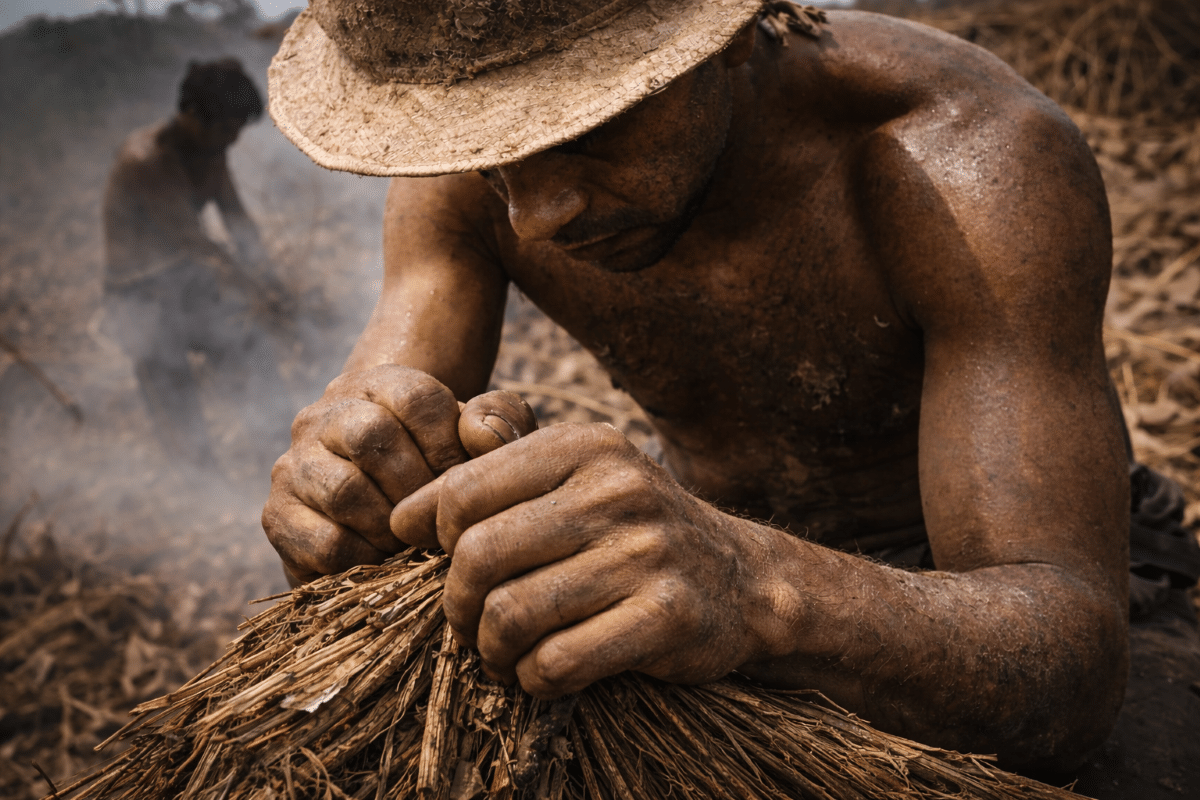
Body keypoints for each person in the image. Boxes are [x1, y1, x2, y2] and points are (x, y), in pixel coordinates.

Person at [261, 1, 1200, 795]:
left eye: (588, 127)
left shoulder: (962, 161)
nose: (534, 214)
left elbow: (1066, 663)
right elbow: (375, 425)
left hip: (979, 600)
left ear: (732, 32)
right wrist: (346, 481)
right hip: (701, 569)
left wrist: (752, 585)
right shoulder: (482, 169)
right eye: (495, 156)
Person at [103, 57, 290, 467]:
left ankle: (281, 449)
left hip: (186, 281)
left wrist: (272, 281)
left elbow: (238, 221)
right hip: (139, 294)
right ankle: (204, 493)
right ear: (192, 115)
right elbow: (196, 242)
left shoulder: (210, 149)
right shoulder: (146, 160)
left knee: (249, 345)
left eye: (237, 129)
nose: (233, 140)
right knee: (173, 392)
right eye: (227, 128)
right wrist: (258, 289)